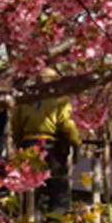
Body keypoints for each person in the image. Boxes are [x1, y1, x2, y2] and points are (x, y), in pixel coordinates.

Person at [13, 77, 81, 212]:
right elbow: (67, 124)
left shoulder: (25, 100)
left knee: (30, 184)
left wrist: (19, 144)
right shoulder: (60, 100)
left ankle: (31, 218)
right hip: (52, 146)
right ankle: (57, 219)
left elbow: (16, 125)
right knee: (58, 184)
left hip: (29, 144)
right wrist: (76, 142)